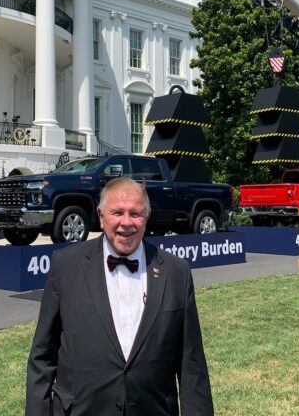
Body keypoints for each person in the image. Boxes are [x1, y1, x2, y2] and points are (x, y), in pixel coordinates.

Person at [26, 177, 213, 415]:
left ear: (147, 216)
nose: (127, 222)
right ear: (101, 216)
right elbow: (42, 357)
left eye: (135, 213)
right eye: (117, 213)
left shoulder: (176, 272)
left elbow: (192, 366)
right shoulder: (65, 266)